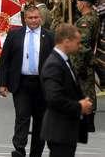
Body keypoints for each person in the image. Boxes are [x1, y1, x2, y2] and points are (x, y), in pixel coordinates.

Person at [0, 5, 55, 157]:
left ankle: (36, 153)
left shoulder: (49, 37)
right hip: (21, 84)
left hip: (42, 86)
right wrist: (2, 83)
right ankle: (19, 150)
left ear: (40, 18)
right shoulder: (14, 35)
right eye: (30, 18)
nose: (34, 20)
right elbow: (5, 61)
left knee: (40, 122)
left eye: (36, 17)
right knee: (22, 117)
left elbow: (56, 63)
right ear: (25, 19)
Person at [40, 23, 94, 157]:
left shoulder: (64, 60)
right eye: (78, 42)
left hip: (66, 130)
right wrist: (79, 106)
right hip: (59, 130)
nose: (80, 46)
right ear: (66, 42)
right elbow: (54, 98)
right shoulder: (54, 64)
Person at [70, 0, 100, 133]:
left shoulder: (85, 21)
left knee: (84, 91)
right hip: (88, 62)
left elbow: (82, 46)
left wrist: (77, 67)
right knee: (88, 91)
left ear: (83, 2)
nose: (76, 4)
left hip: (83, 64)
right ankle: (88, 123)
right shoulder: (93, 16)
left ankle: (87, 124)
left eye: (77, 1)